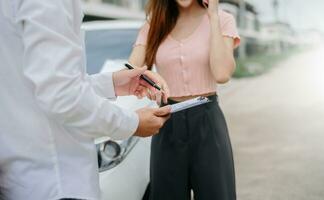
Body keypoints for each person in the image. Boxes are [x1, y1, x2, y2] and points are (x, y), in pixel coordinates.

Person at [0, 0, 171, 200]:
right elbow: (62, 95)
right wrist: (132, 123)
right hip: (58, 181)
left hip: (24, 179)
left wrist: (112, 83)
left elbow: (41, 87)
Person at [129, 0, 240, 199]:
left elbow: (222, 73)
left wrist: (213, 16)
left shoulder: (223, 19)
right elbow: (130, 71)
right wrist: (149, 83)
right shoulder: (153, 25)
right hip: (166, 121)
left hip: (208, 121)